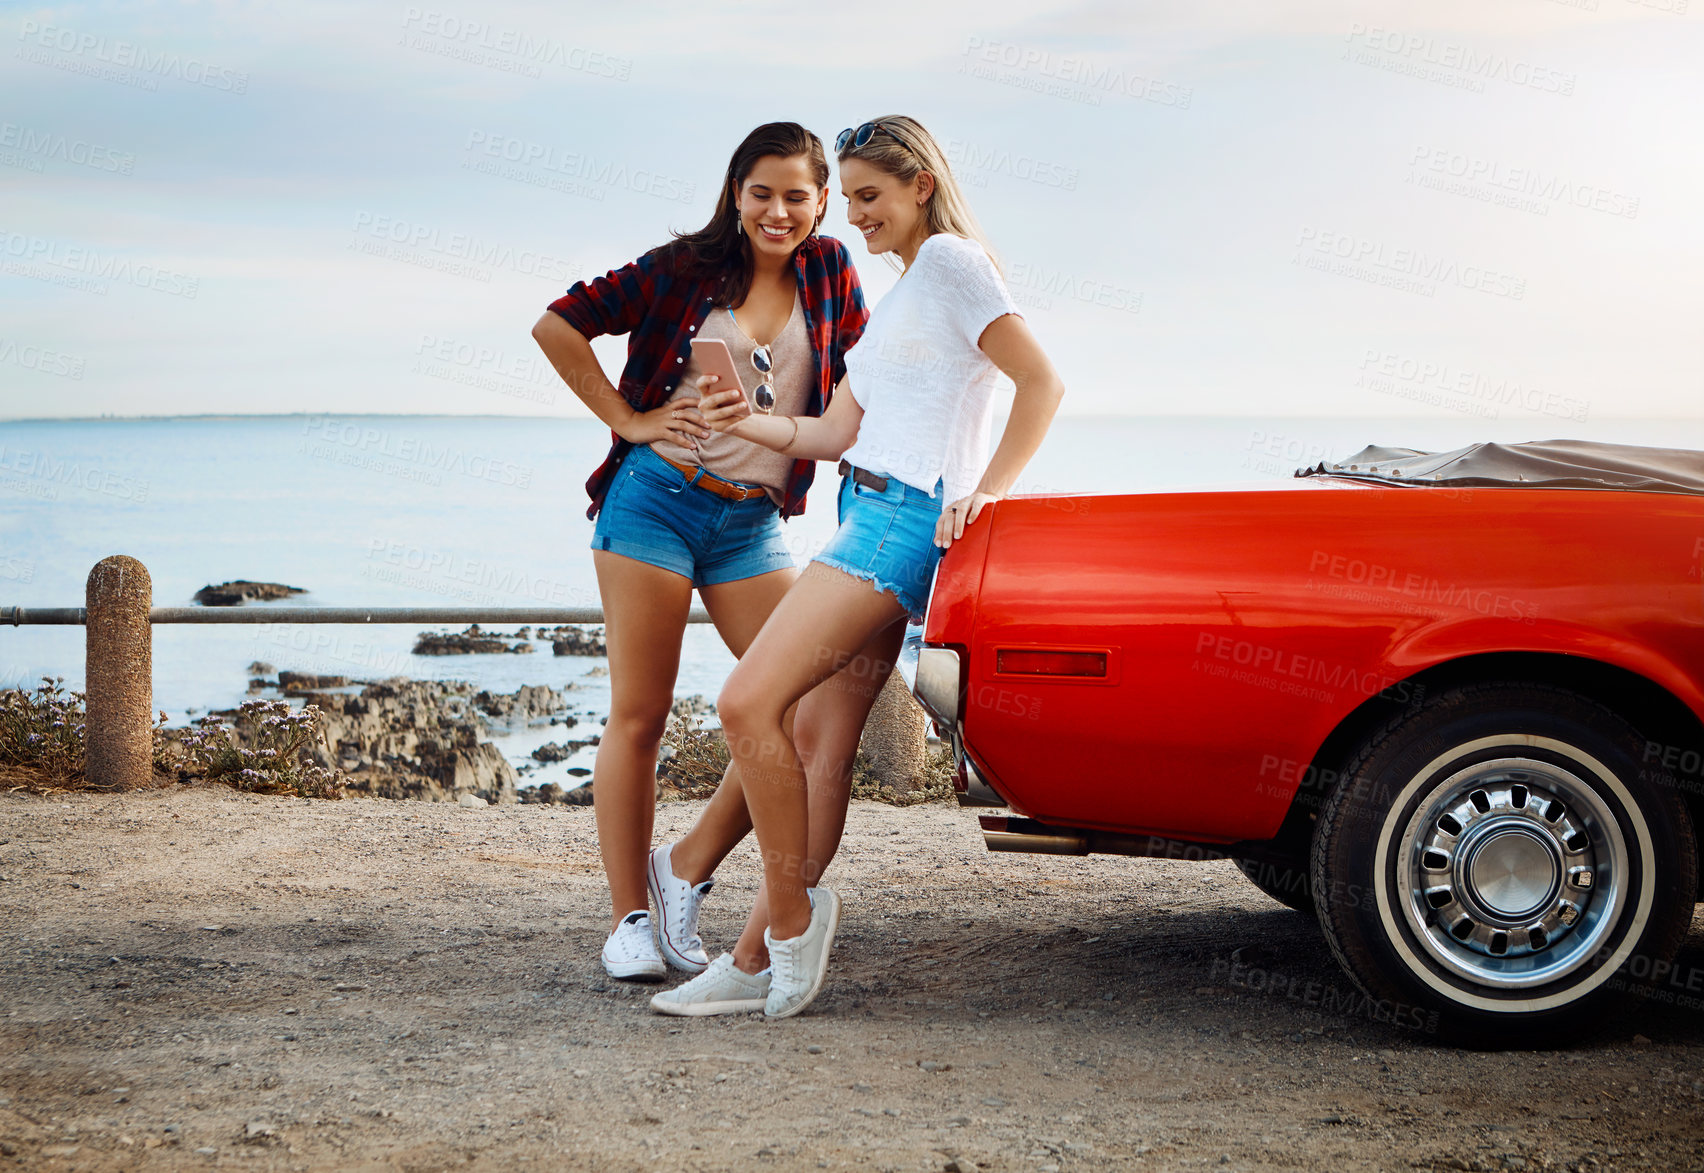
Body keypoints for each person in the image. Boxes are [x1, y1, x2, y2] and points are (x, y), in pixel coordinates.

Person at [653, 115, 1066, 1018]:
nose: (856, 216)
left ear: (921, 183)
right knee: (817, 744)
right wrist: (736, 421)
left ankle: (793, 926)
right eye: (851, 199)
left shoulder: (955, 264)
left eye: (870, 197)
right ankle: (756, 959)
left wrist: (987, 492)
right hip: (866, 503)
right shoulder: (908, 292)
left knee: (746, 702)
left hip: (904, 519)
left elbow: (1041, 382)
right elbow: (832, 432)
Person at [531, 122, 881, 988]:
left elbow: (867, 389)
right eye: (761, 191)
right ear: (736, 192)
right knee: (640, 714)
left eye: (798, 195)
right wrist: (631, 420)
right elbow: (558, 325)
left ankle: (683, 866)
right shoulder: (685, 266)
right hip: (654, 501)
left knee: (804, 703)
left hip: (750, 523)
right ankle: (630, 919)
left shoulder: (832, 270)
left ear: (822, 201)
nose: (779, 210)